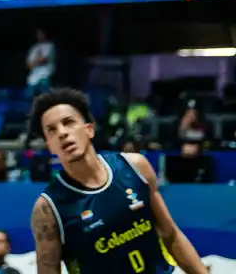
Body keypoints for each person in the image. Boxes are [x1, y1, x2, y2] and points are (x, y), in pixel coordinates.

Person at [29, 88, 208, 274]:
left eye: (68, 122)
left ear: (89, 129)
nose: (62, 133)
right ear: (49, 146)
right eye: (52, 130)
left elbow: (170, 234)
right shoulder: (48, 208)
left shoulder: (135, 166)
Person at [26, 29, 55, 96]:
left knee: (44, 97)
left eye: (41, 33)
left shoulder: (50, 45)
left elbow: (44, 60)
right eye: (38, 34)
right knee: (28, 96)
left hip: (44, 76)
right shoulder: (34, 47)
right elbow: (28, 64)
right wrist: (36, 62)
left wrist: (35, 62)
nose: (39, 35)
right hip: (33, 78)